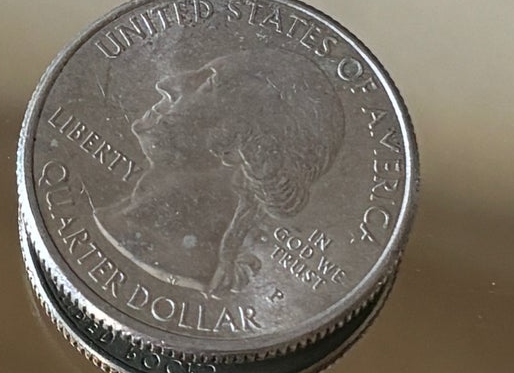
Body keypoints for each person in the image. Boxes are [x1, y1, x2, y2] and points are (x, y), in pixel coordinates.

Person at [96, 50, 345, 294]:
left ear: (242, 147)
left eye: (209, 82)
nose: (167, 83)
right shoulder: (116, 218)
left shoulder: (174, 260)